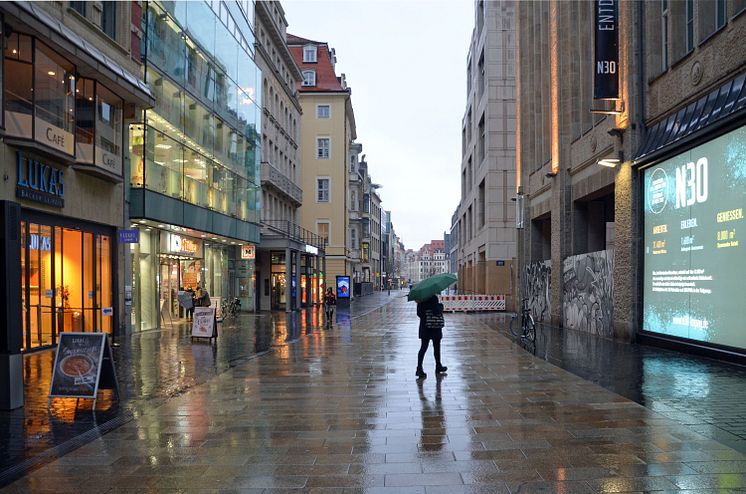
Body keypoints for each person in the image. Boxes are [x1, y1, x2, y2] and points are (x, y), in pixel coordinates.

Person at [416, 295, 447, 379]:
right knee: (437, 347)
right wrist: (440, 306)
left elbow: (419, 314)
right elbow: (437, 311)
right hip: (435, 326)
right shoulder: (433, 298)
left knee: (423, 347)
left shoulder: (420, 300)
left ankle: (419, 368)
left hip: (425, 326)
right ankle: (438, 365)